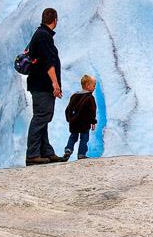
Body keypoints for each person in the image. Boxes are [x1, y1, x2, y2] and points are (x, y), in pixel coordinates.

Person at [25, 8, 65, 165]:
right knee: (41, 117)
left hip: (40, 85)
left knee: (43, 117)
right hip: (42, 85)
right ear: (54, 19)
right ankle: (33, 154)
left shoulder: (42, 34)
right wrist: (55, 84)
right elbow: (48, 62)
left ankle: (45, 152)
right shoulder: (43, 36)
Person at [64, 75, 98, 160]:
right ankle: (81, 154)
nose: (94, 88)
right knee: (84, 138)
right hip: (84, 123)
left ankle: (68, 149)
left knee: (73, 137)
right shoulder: (90, 97)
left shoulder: (74, 96)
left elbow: (68, 109)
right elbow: (92, 111)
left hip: (74, 122)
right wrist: (93, 122)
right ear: (87, 85)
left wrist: (69, 119)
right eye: (93, 85)